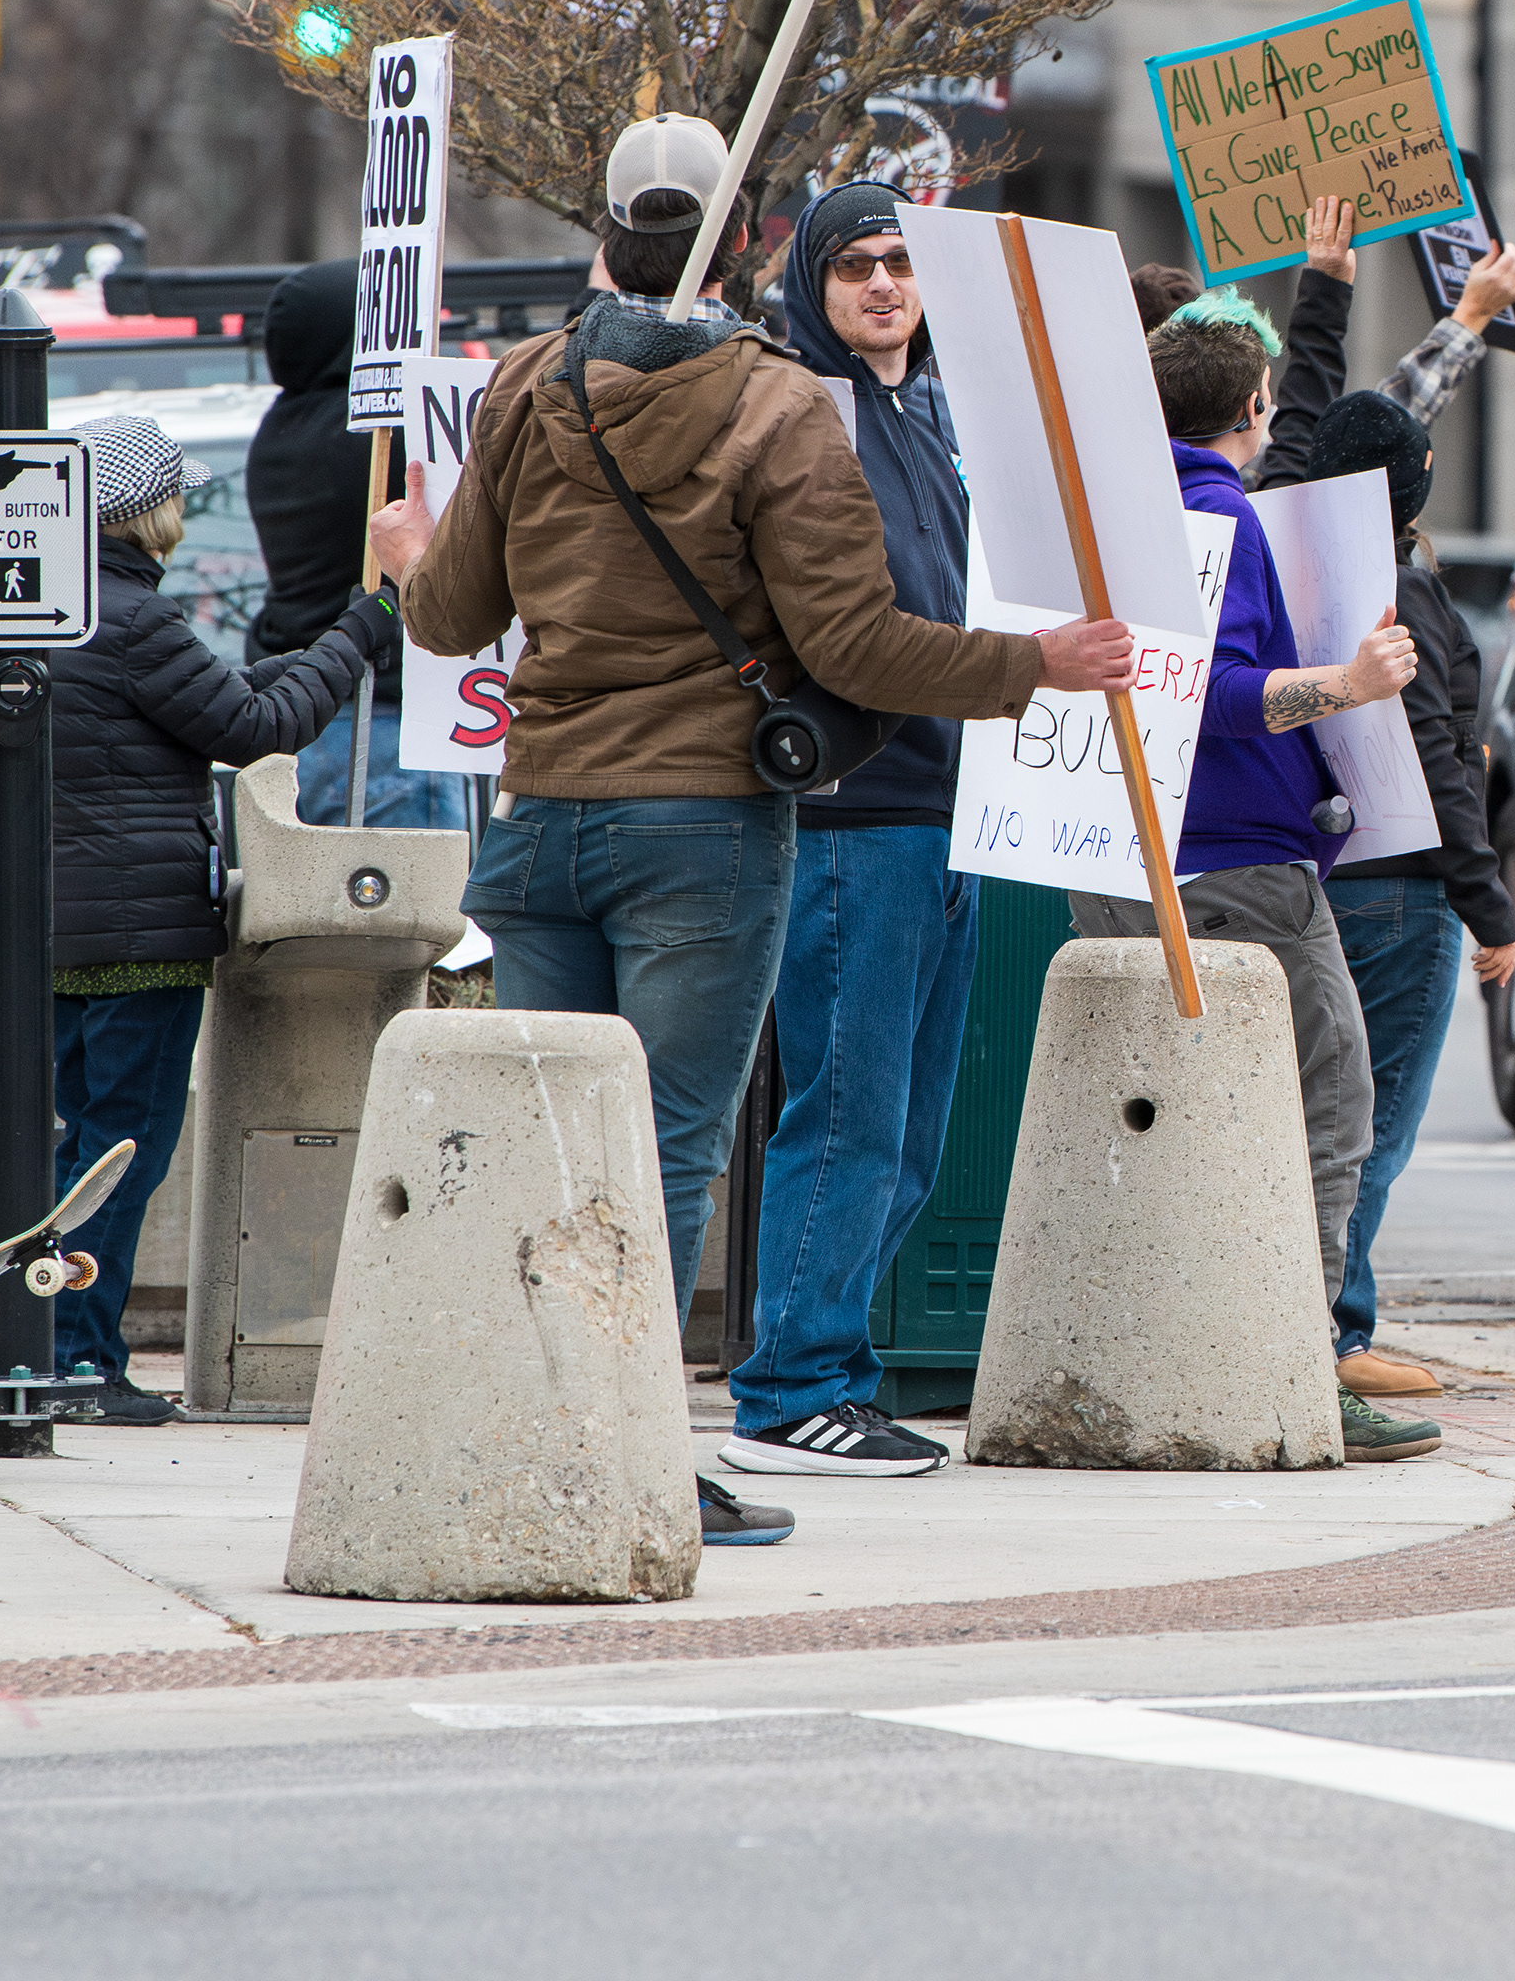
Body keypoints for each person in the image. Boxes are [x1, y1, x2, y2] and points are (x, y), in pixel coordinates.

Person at [372, 113, 1138, 1548]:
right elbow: (857, 651)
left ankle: (548, 1430)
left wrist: (411, 561)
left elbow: (456, 618)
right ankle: (633, 1450)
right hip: (700, 834)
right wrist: (1038, 664)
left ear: (607, 235)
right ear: (742, 250)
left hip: (539, 821)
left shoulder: (528, 383)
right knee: (661, 1148)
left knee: (555, 1141)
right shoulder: (779, 406)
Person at [1069, 258, 1429, 1460]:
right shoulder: (1219, 513)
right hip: (1237, 867)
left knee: (1166, 1118)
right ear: (1253, 407)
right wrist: (1347, 682)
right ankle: (1298, 1367)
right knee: (1329, 1103)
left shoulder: (1112, 511)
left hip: (1127, 854)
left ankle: (1166, 1352)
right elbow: (1213, 693)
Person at [52, 413, 401, 1422]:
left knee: (76, 1146)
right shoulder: (136, 620)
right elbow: (256, 729)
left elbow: (209, 700)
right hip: (139, 941)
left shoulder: (49, 611)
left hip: (56, 935)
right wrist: (358, 633)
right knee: (123, 1151)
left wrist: (315, 647)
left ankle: (47, 1348)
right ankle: (82, 1362)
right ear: (146, 512)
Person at [720, 183, 985, 1480]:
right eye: (855, 267)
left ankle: (832, 1365)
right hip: (852, 818)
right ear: (812, 289)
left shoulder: (918, 415)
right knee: (844, 1118)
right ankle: (790, 1388)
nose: (884, 284)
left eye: (900, 262)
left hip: (946, 809)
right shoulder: (804, 413)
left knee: (913, 1132)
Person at [1260, 203, 1515, 1399]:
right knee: (1365, 1125)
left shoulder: (1282, 533)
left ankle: (1305, 1317)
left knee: (1311, 1111)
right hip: (1403, 885)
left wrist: (1322, 289)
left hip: (1313, 869)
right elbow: (1435, 751)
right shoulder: (1399, 591)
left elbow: (1319, 421)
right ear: (1416, 492)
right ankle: (1333, 1332)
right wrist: (1490, 904)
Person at [246, 257, 467, 831]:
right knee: (408, 918)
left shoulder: (280, 428)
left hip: (307, 713)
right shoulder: (369, 440)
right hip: (381, 727)